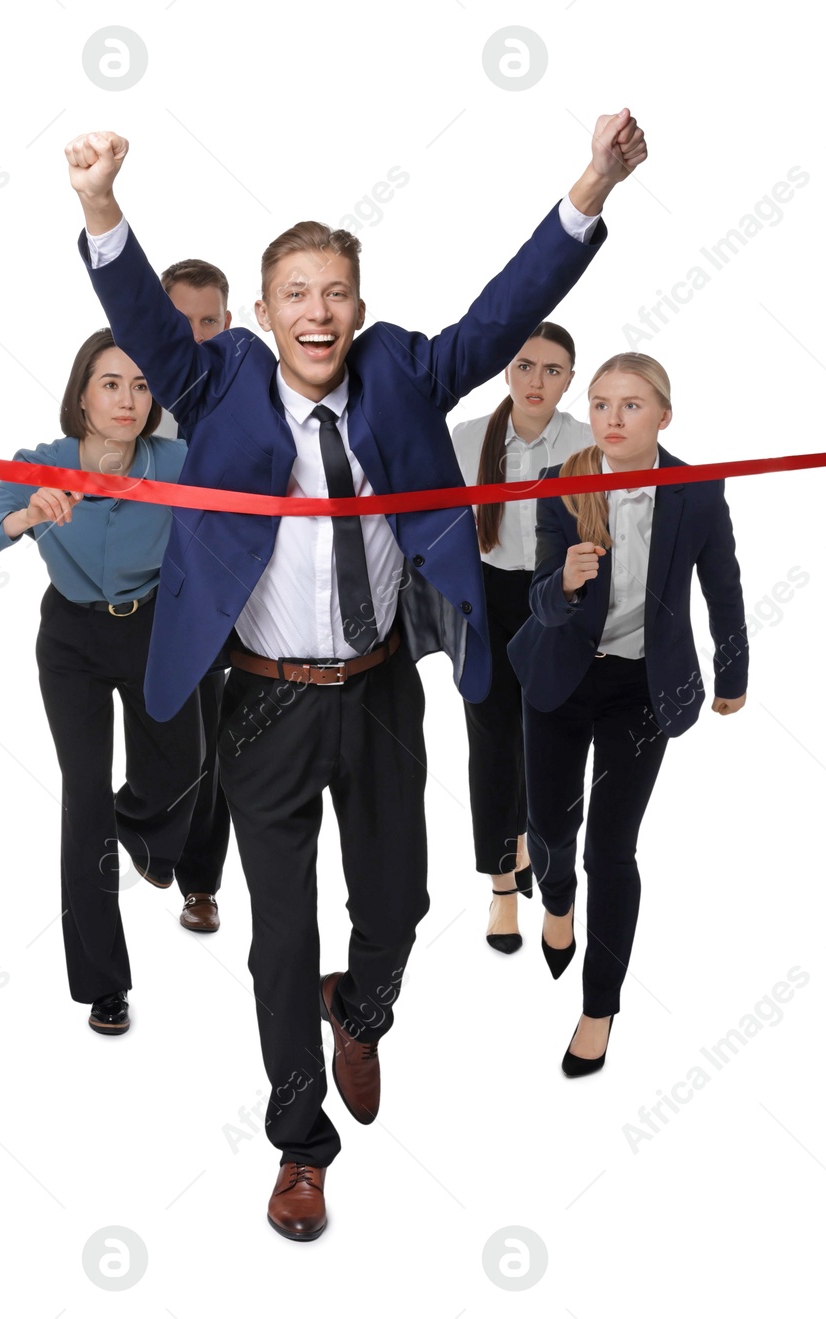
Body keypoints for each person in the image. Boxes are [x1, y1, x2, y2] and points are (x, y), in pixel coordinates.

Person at [65, 110, 646, 1240]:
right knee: (277, 938)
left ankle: (361, 1006)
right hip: (265, 700)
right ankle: (298, 1143)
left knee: (398, 906)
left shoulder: (402, 372)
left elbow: (502, 312)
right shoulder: (221, 377)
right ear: (267, 311)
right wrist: (100, 208)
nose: (317, 312)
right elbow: (141, 315)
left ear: (358, 310)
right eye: (295, 293)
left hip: (380, 688)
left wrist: (592, 184)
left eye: (335, 292)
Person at [0, 328, 201, 1037]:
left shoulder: (177, 460)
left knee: (187, 762)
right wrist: (24, 515)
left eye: (141, 386)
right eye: (111, 384)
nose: (128, 399)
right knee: (82, 799)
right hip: (73, 643)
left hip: (152, 630)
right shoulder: (41, 464)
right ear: (81, 394)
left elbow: (250, 508)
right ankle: (103, 983)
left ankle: (133, 825)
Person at [507, 351, 748, 1078]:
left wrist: (733, 671)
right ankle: (555, 900)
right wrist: (566, 583)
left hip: (644, 688)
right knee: (550, 828)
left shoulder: (697, 492)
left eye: (631, 406)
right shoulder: (561, 484)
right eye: (603, 403)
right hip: (559, 677)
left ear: (663, 417)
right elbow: (539, 602)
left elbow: (725, 587)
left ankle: (599, 1007)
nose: (612, 418)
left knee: (610, 848)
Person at [450, 322, 590, 955]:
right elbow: (439, 531)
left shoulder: (588, 445)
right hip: (484, 598)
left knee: (547, 735)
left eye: (553, 371)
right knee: (491, 741)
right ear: (507, 370)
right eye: (526, 366)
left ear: (569, 379)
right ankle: (503, 886)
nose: (538, 381)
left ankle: (535, 843)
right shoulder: (468, 437)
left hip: (557, 600)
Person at [148, 257, 236, 933]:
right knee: (161, 736)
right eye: (183, 322)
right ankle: (146, 830)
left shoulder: (244, 400)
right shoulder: (128, 391)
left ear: (227, 324)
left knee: (213, 745)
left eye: (209, 322)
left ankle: (201, 883)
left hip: (215, 594)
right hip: (143, 591)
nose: (198, 334)